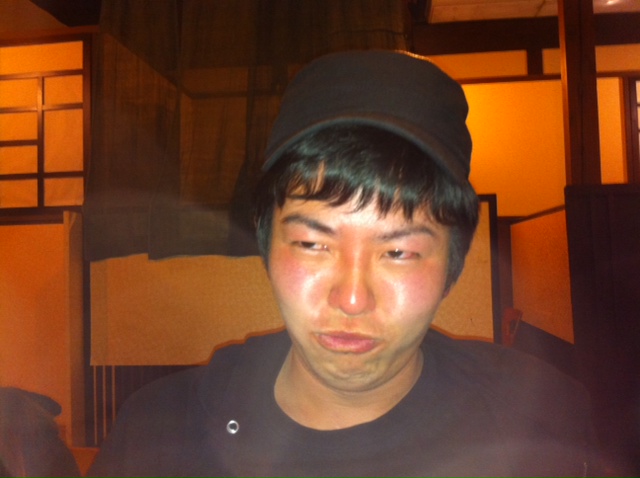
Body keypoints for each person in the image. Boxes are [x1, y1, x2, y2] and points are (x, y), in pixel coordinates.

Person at [87, 50, 599, 478]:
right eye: (313, 244)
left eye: (397, 252)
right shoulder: (156, 436)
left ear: (453, 264)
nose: (352, 299)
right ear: (267, 245)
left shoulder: (542, 424)